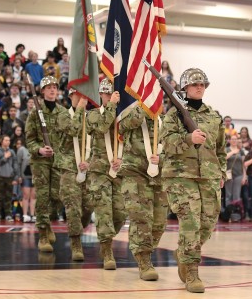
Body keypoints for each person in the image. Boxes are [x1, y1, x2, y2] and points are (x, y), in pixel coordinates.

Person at [159, 68, 226, 293]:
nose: (200, 87)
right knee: (191, 223)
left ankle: (183, 254)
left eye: (203, 84)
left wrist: (221, 173)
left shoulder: (214, 116)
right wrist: (189, 138)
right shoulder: (173, 115)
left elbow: (221, 150)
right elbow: (166, 144)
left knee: (207, 225)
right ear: (184, 87)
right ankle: (192, 272)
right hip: (181, 177)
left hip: (208, 176)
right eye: (195, 84)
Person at [119, 106, 168, 280]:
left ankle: (143, 250)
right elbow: (121, 126)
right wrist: (143, 107)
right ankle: (144, 259)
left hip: (159, 174)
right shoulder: (132, 112)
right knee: (141, 218)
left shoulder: (166, 120)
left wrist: (161, 159)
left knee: (159, 223)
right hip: (135, 172)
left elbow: (174, 146)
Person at [86, 79, 126, 270]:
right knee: (103, 212)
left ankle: (106, 239)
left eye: (112, 94)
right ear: (101, 95)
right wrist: (111, 106)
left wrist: (123, 160)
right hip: (99, 172)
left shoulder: (123, 116)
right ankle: (107, 250)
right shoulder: (93, 114)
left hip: (119, 171)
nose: (109, 97)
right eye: (106, 94)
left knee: (119, 213)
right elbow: (102, 127)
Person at [25, 76, 64, 252]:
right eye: (48, 88)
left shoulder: (62, 112)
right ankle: (42, 235)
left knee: (56, 196)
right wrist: (40, 150)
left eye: (54, 87)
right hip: (40, 161)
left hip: (57, 160)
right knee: (42, 196)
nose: (52, 90)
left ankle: (47, 223)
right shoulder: (35, 112)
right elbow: (29, 139)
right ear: (42, 91)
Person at [54, 89, 93, 261]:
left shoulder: (91, 118)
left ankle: (78, 228)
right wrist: (80, 110)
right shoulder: (63, 115)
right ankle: (76, 243)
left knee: (88, 207)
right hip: (69, 168)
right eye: (79, 94)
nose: (83, 98)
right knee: (73, 208)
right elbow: (73, 129)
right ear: (70, 96)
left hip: (88, 168)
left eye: (85, 95)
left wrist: (90, 162)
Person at [0, 135, 19, 222]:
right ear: (2, 141)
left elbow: (15, 164)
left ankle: (8, 214)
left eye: (9, 140)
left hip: (9, 176)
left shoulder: (12, 151)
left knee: (8, 196)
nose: (8, 142)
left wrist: (16, 176)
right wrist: (5, 158)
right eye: (6, 140)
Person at [16, 138, 36, 223]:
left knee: (34, 196)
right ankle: (25, 215)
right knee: (26, 195)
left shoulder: (37, 149)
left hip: (35, 176)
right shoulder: (21, 150)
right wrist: (19, 176)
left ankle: (32, 215)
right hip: (25, 176)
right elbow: (18, 164)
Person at [225, 135, 245, 207]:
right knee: (228, 195)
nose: (234, 141)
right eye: (232, 139)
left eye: (235, 139)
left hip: (239, 175)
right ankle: (228, 213)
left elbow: (244, 164)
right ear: (229, 140)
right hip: (228, 175)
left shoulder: (241, 151)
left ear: (237, 141)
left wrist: (244, 176)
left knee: (236, 195)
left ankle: (236, 213)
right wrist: (233, 152)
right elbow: (224, 158)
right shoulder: (226, 149)